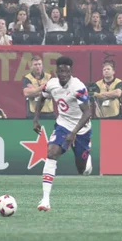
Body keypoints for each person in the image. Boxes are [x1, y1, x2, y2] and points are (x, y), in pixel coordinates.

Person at [33, 56, 92, 212]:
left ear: (70, 71)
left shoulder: (78, 87)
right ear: (56, 71)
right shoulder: (52, 84)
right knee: (51, 153)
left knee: (82, 169)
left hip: (82, 129)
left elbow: (87, 113)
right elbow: (41, 98)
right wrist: (35, 119)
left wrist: (74, 133)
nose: (63, 74)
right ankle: (45, 200)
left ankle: (87, 156)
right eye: (60, 71)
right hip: (63, 125)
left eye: (66, 71)